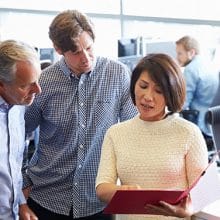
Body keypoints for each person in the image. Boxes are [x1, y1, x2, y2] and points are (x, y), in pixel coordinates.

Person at [22, 9, 137, 220]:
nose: (85, 58)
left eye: (89, 48)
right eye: (75, 52)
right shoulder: (44, 82)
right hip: (47, 198)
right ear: (59, 49)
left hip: (96, 200)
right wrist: (23, 181)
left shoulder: (117, 74)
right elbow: (16, 133)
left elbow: (133, 131)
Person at [96, 53, 209, 220]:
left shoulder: (188, 133)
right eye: (143, 86)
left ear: (171, 94)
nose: (148, 97)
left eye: (159, 90)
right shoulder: (116, 133)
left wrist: (187, 211)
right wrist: (122, 191)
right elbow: (102, 189)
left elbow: (202, 194)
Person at [0, 40, 41, 220]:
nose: (37, 90)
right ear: (1, 84)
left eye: (36, 81)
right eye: (25, 85)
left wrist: (21, 205)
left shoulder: (18, 106)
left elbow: (13, 165)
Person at [175, 36, 219, 147]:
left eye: (180, 53)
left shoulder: (191, 69)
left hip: (200, 120)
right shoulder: (209, 64)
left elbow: (183, 104)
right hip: (215, 117)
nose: (177, 58)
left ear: (191, 52)